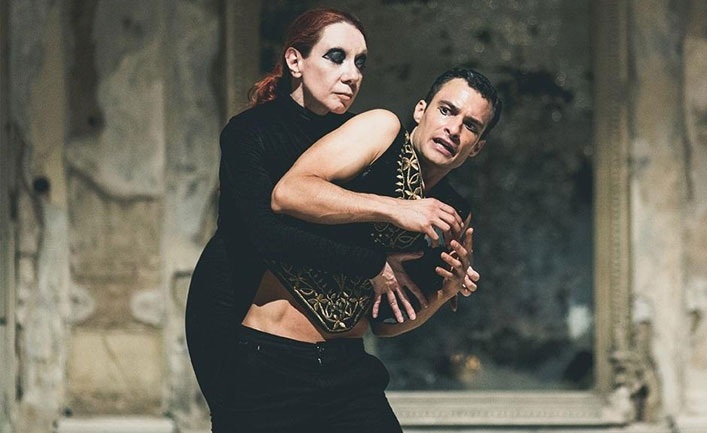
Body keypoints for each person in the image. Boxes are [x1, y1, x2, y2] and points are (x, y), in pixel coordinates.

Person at [185, 8, 476, 433]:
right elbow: (268, 233)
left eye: (360, 63)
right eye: (336, 57)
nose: (352, 74)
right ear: (295, 60)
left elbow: (380, 304)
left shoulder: (359, 137)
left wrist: (440, 287)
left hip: (342, 361)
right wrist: (374, 259)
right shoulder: (249, 132)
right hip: (239, 326)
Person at [221, 67, 502, 432]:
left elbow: (385, 324)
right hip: (273, 358)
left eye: (470, 126)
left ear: (477, 147)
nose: (453, 129)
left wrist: (444, 294)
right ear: (421, 110)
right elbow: (289, 193)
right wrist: (396, 209)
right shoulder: (382, 131)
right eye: (446, 110)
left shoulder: (452, 214)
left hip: (348, 369)